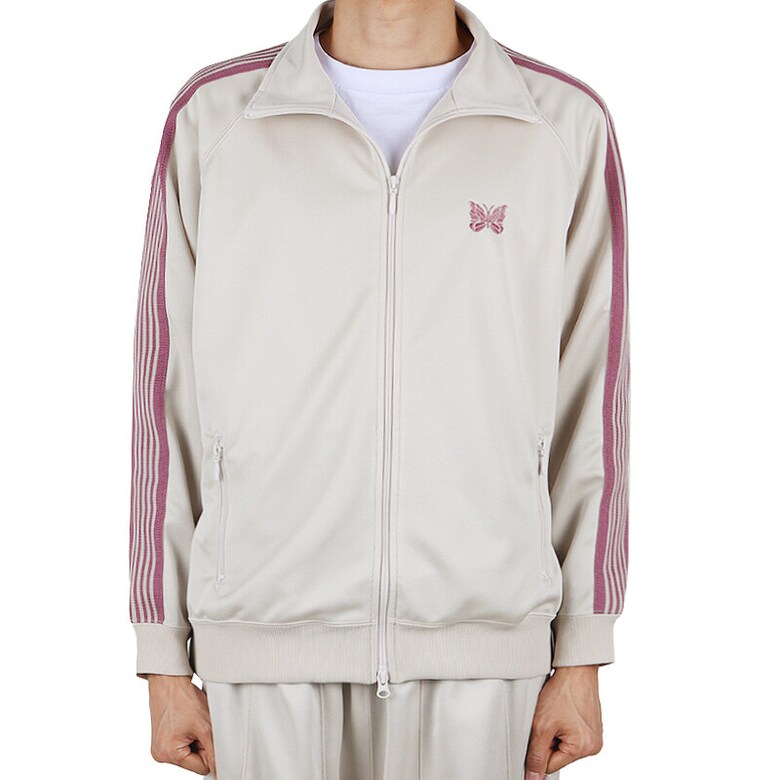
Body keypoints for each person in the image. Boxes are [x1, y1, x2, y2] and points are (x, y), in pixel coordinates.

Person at [128, 0, 630, 777]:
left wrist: (584, 651)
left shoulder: (560, 125)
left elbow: (594, 398)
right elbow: (164, 401)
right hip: (262, 647)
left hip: (486, 654)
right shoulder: (219, 117)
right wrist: (161, 656)